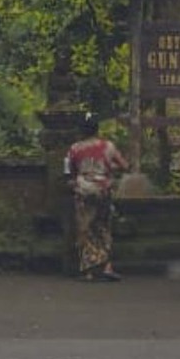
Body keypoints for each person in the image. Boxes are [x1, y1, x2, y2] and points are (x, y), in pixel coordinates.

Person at [65, 113, 129, 282]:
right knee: (103, 228)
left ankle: (88, 269)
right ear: (97, 129)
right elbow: (124, 165)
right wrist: (108, 169)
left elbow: (68, 173)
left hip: (83, 191)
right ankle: (107, 266)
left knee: (85, 229)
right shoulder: (108, 146)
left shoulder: (74, 149)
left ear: (80, 131)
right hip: (103, 190)